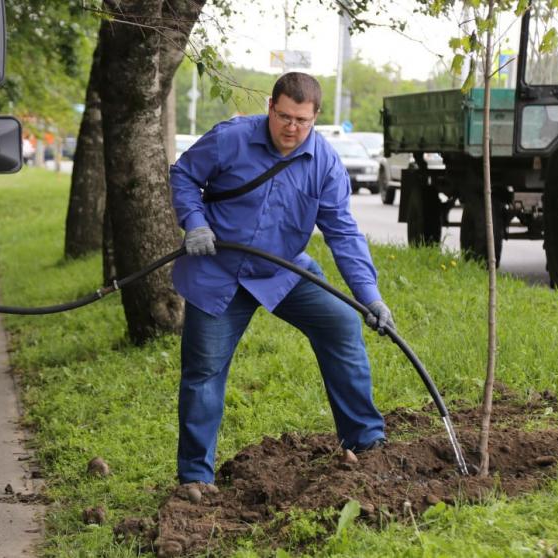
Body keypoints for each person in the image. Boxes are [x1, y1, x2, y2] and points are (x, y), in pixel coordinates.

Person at [169, 72, 395, 487]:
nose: (292, 128)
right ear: (270, 107)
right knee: (204, 372)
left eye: (302, 121)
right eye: (285, 116)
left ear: (315, 118)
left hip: (281, 271)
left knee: (342, 323)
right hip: (218, 273)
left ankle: (365, 441)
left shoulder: (324, 163)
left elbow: (343, 233)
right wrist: (194, 222)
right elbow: (183, 175)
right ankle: (195, 479)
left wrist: (371, 298)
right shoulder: (231, 138)